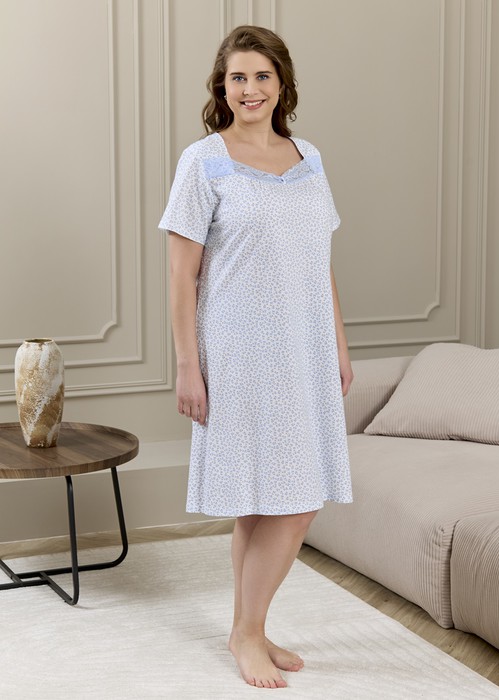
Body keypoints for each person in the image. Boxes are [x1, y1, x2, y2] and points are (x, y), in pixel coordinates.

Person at [159, 24, 353, 690]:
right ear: (221, 87)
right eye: (237, 77)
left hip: (304, 350)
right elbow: (181, 275)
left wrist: (338, 343)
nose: (250, 89)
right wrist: (188, 366)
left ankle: (250, 627)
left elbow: (319, 261)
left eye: (262, 76)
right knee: (283, 499)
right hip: (238, 354)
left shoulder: (309, 157)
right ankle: (246, 632)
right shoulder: (202, 162)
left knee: (271, 499)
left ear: (282, 83)